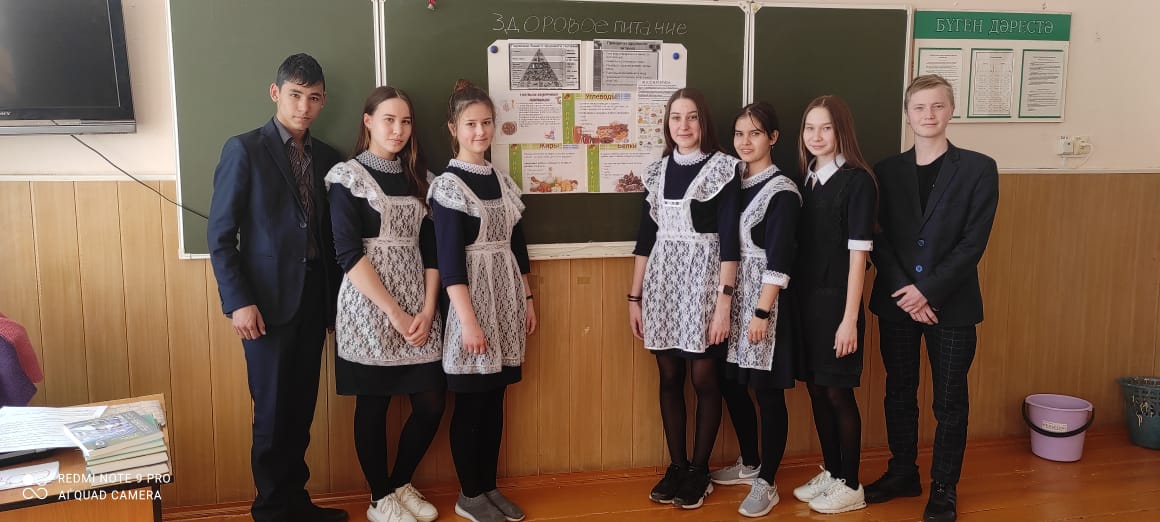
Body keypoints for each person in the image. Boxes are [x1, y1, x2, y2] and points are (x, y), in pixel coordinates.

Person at [206, 53, 347, 522]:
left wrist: (334, 305)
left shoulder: (329, 157)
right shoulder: (244, 150)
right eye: (295, 95)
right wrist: (239, 302)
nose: (303, 107)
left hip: (314, 298)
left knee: (300, 410)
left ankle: (295, 503)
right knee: (270, 412)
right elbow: (220, 235)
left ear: (323, 101)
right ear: (275, 93)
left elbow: (331, 235)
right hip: (264, 305)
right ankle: (270, 510)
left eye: (313, 98)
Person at [864, 74, 999, 522]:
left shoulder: (979, 168)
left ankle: (944, 486)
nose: (929, 115)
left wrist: (927, 291)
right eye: (919, 107)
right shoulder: (886, 171)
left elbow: (973, 242)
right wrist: (908, 292)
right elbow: (878, 237)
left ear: (951, 110)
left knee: (950, 401)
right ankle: (903, 472)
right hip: (897, 302)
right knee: (899, 391)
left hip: (952, 306)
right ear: (907, 114)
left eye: (937, 106)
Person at [326, 86, 444, 522]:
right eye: (389, 120)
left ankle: (399, 483)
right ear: (368, 121)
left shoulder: (422, 179)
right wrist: (393, 312)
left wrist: (427, 309)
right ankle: (379, 498)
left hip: (419, 304)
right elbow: (347, 253)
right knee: (373, 405)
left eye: (405, 121)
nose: (398, 130)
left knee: (431, 401)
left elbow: (432, 251)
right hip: (368, 307)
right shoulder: (347, 178)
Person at [428, 79, 537, 522]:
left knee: (495, 400)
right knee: (471, 402)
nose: (480, 132)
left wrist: (528, 298)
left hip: (506, 298)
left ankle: (489, 487)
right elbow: (450, 261)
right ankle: (469, 494)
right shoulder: (448, 186)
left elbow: (518, 245)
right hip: (469, 304)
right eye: (471, 124)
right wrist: (469, 321)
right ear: (453, 128)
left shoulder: (502, 181)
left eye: (487, 123)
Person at [628, 87, 741, 510]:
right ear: (667, 124)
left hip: (705, 283)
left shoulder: (724, 169)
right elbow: (645, 239)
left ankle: (699, 470)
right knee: (670, 377)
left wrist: (723, 305)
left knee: (704, 378)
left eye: (691, 117)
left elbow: (730, 243)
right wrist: (634, 298)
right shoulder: (656, 172)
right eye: (676, 117)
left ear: (703, 122)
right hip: (663, 284)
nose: (684, 125)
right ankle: (677, 465)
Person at [788, 95, 877, 515]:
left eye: (826, 128)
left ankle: (852, 485)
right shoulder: (804, 179)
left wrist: (849, 320)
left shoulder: (857, 182)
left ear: (842, 131)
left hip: (839, 306)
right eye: (810, 128)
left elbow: (859, 258)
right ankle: (835, 472)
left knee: (838, 393)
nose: (817, 136)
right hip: (807, 304)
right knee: (817, 389)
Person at [712, 101, 801, 518]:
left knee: (767, 392)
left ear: (773, 137)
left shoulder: (782, 191)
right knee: (732, 383)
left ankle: (768, 480)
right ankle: (749, 462)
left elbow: (780, 258)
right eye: (739, 134)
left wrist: (761, 313)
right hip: (731, 297)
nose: (745, 142)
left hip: (765, 302)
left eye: (755, 133)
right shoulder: (733, 182)